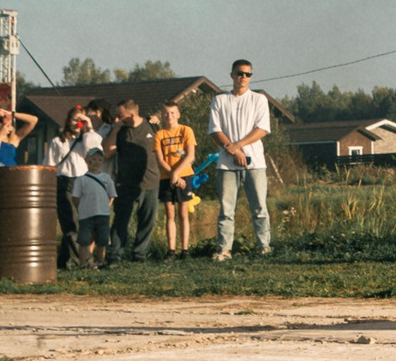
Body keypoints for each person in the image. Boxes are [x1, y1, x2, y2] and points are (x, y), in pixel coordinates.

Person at [207, 60, 273, 260]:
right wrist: (233, 151)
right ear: (232, 75)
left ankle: (264, 247)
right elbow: (215, 130)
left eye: (248, 74)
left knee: (260, 207)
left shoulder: (259, 99)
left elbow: (262, 129)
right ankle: (225, 249)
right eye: (240, 73)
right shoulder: (220, 100)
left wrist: (238, 146)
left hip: (255, 163)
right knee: (227, 209)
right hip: (226, 164)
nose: (243, 77)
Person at [45, 106, 105, 269]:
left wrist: (89, 127)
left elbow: (96, 151)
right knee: (71, 224)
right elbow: (49, 165)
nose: (77, 123)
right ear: (68, 120)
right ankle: (85, 261)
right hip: (65, 182)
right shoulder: (58, 141)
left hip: (83, 182)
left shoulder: (86, 139)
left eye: (80, 120)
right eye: (74, 119)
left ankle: (63, 260)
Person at [105, 99, 158, 262]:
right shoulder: (120, 130)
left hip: (150, 181)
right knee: (121, 219)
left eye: (121, 115)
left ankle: (139, 254)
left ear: (132, 114)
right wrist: (115, 129)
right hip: (125, 182)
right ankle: (115, 254)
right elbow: (107, 151)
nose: (118, 118)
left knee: (147, 220)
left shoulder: (152, 126)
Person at [151, 101, 197, 257]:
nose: (169, 116)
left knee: (183, 212)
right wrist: (172, 175)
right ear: (162, 116)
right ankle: (171, 250)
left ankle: (185, 249)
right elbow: (160, 159)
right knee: (170, 214)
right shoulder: (159, 134)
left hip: (184, 175)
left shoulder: (186, 130)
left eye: (172, 113)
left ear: (178, 114)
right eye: (165, 113)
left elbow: (190, 156)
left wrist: (177, 174)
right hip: (167, 177)